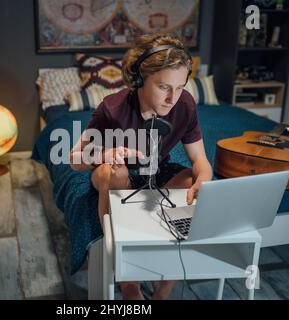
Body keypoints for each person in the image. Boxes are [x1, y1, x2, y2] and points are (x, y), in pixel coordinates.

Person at [70, 33, 213, 300]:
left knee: (192, 188)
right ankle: (129, 283)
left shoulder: (186, 105)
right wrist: (104, 152)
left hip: (157, 170)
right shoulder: (112, 108)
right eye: (163, 87)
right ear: (139, 80)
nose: (173, 97)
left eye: (180, 86)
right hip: (117, 173)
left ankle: (163, 289)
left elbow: (200, 161)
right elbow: (75, 159)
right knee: (114, 171)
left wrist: (203, 179)